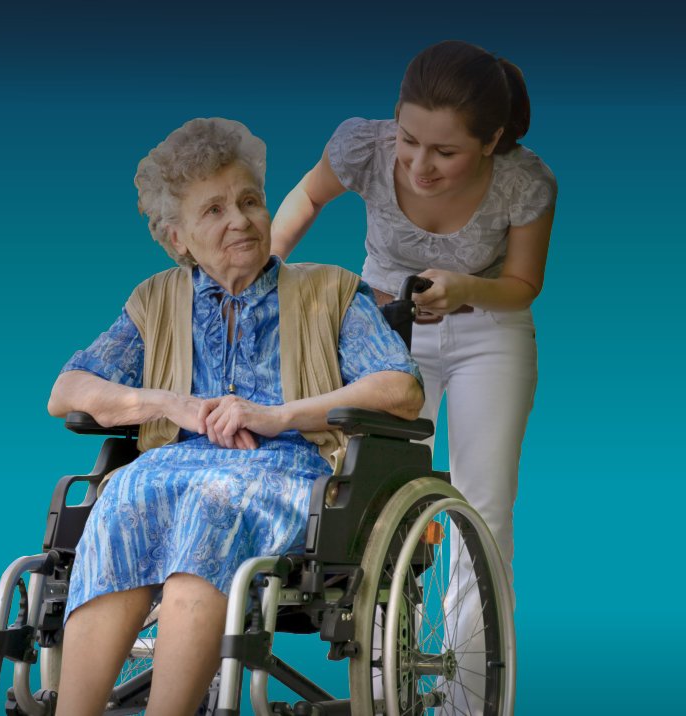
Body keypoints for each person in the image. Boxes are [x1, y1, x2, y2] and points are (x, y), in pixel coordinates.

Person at [46, 117, 423, 716]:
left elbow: (400, 388)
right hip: (171, 468)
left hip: (295, 472)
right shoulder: (154, 301)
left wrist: (279, 415)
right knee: (123, 497)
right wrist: (169, 403)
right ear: (178, 239)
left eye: (249, 201)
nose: (240, 220)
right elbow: (66, 390)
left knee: (211, 498)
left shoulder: (330, 291)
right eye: (214, 210)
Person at [271, 39, 555, 582]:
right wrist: (270, 263)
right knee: (377, 500)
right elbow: (308, 196)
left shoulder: (526, 183)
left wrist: (468, 287)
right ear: (396, 118)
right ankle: (385, 657)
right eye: (409, 139)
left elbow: (523, 284)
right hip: (384, 335)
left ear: (492, 140)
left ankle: (470, 667)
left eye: (445, 153)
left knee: (482, 506)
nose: (421, 165)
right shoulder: (363, 146)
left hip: (489, 335)